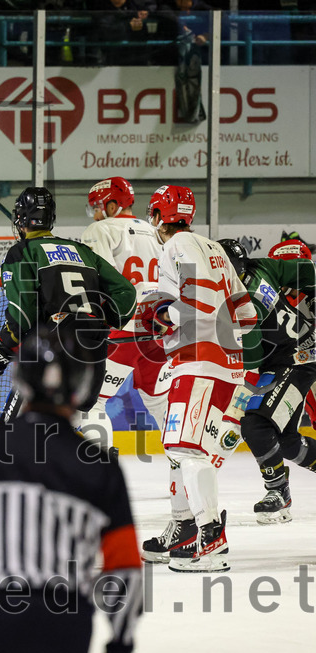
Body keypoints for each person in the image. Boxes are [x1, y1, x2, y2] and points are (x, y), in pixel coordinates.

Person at [0, 325, 143, 653]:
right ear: (82, 384)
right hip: (63, 624)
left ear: (20, 378)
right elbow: (124, 570)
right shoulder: (100, 465)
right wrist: (120, 645)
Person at [138, 185, 257, 572]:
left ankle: (212, 540)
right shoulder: (214, 247)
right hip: (228, 364)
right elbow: (248, 313)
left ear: (159, 216)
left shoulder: (177, 246)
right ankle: (190, 532)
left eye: (153, 213)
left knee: (184, 450)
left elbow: (199, 302)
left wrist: (164, 319)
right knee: (186, 451)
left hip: (198, 363)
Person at [0, 186, 137, 419]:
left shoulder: (23, 252)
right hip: (93, 346)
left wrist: (2, 345)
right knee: (78, 420)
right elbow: (127, 292)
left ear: (21, 219)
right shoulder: (83, 251)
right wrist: (99, 320)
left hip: (51, 351)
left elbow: (23, 314)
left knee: (16, 431)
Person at [216, 238, 316, 524]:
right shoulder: (261, 267)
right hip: (299, 352)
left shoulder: (240, 300)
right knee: (287, 443)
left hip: (294, 360)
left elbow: (253, 359)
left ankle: (278, 492)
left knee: (255, 423)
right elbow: (307, 270)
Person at [77, 177, 169, 450]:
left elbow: (97, 280)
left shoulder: (99, 229)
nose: (94, 213)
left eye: (97, 206)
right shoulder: (155, 231)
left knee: (92, 402)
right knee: (162, 405)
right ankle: (184, 483)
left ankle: (103, 470)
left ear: (113, 204)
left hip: (122, 329)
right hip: (159, 329)